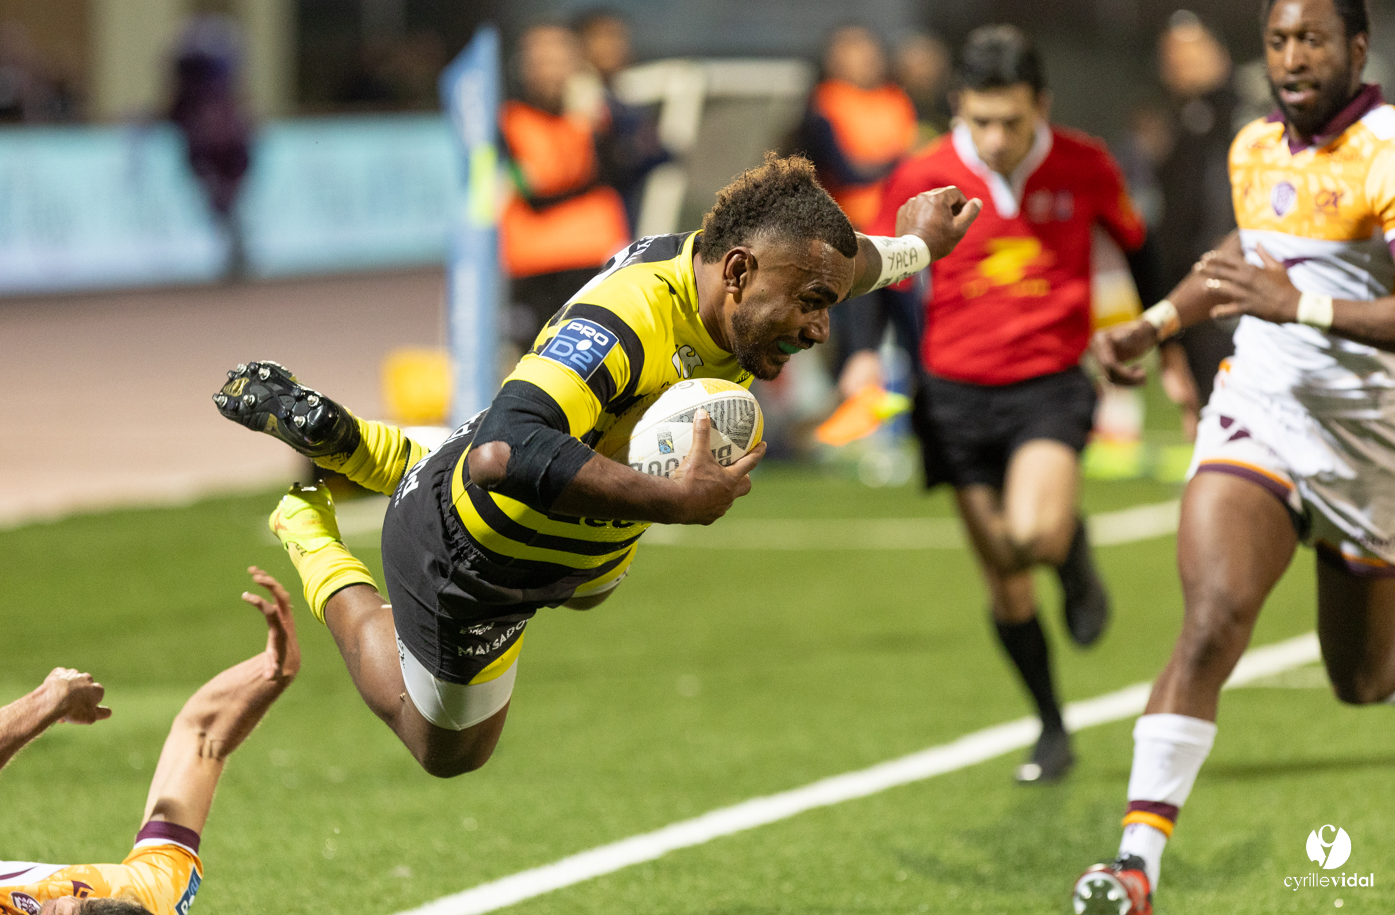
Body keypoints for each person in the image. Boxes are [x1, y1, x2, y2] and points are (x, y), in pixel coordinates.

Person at [213, 153, 981, 778]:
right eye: (813, 303)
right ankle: (307, 531)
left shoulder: (748, 272)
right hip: (474, 555)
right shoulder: (628, 319)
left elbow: (847, 262)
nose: (820, 326)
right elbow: (502, 452)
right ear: (740, 272)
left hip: (576, 537)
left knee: (590, 582)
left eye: (827, 304)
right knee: (445, 748)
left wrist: (919, 247)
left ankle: (347, 441)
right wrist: (673, 501)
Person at [1074, 0, 1395, 912]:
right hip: (1256, 409)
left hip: (1373, 442)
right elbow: (1245, 251)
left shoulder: (1390, 152)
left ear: (1359, 47)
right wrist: (1158, 322)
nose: (1293, 57)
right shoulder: (1253, 144)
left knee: (1364, 678)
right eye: (1279, 39)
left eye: (1313, 40)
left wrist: (1297, 303)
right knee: (1213, 618)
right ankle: (1136, 865)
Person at [857, 25, 1166, 785]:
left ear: (1043, 106)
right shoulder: (920, 174)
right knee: (1003, 573)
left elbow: (1138, 245)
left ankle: (1071, 546)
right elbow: (876, 262)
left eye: (1012, 121)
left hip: (1047, 383)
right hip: (951, 393)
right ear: (958, 106)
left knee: (1031, 532)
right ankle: (1052, 726)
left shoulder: (1085, 163)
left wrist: (1165, 335)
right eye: (980, 119)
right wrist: (861, 354)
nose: (995, 137)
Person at [0, 569, 299, 915]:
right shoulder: (140, 899)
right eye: (75, 906)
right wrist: (271, 671)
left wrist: (48, 701)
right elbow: (201, 737)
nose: (57, 903)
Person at [499, 23, 632, 350]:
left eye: (558, 61)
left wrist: (599, 116)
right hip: (536, 268)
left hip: (594, 259)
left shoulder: (600, 116)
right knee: (536, 361)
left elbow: (622, 169)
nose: (550, 71)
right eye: (540, 61)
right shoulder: (508, 121)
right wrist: (579, 130)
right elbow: (536, 192)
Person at [1156, 11, 1241, 413]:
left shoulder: (1245, 121)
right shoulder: (1178, 128)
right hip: (1192, 296)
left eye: (1192, 54)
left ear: (1220, 56)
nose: (1181, 66)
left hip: (1231, 290)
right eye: (1172, 57)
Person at [800, 26, 919, 232]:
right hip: (851, 224)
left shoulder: (897, 99)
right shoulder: (825, 103)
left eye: (868, 46)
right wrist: (900, 161)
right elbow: (844, 172)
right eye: (853, 48)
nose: (866, 55)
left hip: (904, 217)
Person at [168, 16, 252, 279]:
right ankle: (232, 246)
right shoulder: (197, 103)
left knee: (226, 199)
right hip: (209, 146)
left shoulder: (222, 108)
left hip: (223, 147)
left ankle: (235, 246)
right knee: (219, 199)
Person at [573, 9, 670, 233]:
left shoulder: (622, 99)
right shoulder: (577, 98)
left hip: (620, 223)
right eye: (605, 36)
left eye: (620, 37)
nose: (615, 46)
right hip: (584, 231)